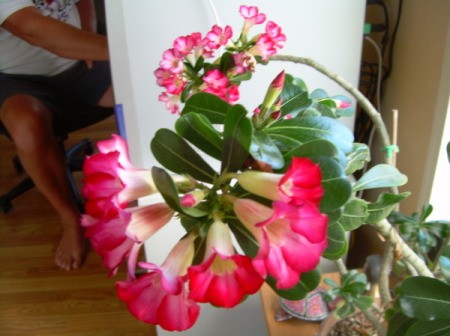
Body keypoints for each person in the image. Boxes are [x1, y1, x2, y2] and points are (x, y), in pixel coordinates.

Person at [0, 0, 114, 271]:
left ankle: (159, 193)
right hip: (18, 78)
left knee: (151, 85)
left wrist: (89, 32)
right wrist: (128, 50)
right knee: (26, 128)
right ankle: (70, 219)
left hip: (78, 61)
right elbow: (33, 29)